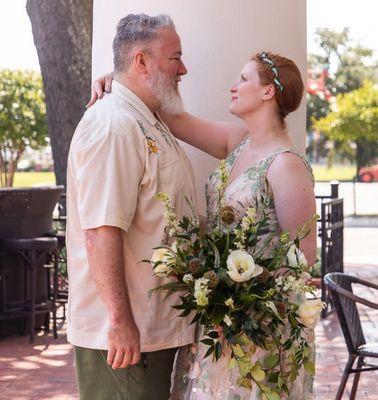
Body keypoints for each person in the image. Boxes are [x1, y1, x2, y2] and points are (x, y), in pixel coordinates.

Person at [91, 50, 317, 399]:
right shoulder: (237, 143)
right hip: (218, 317)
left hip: (257, 326)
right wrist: (120, 80)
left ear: (268, 91)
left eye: (243, 79)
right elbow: (171, 117)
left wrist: (241, 306)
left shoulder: (285, 164)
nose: (233, 86)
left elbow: (303, 256)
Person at [67, 13, 198, 400]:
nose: (184, 69)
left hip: (152, 331)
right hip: (125, 339)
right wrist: (120, 321)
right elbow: (101, 230)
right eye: (175, 58)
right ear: (141, 62)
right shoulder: (114, 125)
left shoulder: (146, 119)